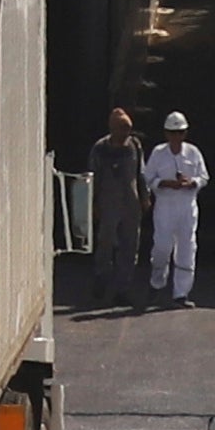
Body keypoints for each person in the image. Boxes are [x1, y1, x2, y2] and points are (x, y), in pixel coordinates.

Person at [140, 112, 209, 306]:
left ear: (185, 133)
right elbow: (148, 177)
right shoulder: (158, 153)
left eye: (180, 132)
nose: (176, 136)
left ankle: (181, 293)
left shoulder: (193, 152)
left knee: (186, 249)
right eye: (172, 132)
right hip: (165, 206)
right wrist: (165, 183)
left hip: (187, 206)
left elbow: (204, 177)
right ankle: (157, 283)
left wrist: (192, 182)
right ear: (166, 133)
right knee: (162, 247)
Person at [85, 108, 151, 309]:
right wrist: (92, 203)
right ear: (112, 128)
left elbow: (141, 172)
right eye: (122, 128)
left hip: (130, 203)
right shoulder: (100, 148)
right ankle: (102, 278)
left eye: (128, 129)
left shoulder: (134, 146)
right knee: (106, 243)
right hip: (108, 202)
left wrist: (145, 196)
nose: (125, 133)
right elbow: (92, 177)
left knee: (130, 246)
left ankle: (122, 288)